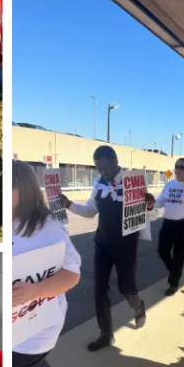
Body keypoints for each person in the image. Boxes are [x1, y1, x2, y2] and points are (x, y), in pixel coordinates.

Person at [13, 159, 82, 367]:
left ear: (24, 190)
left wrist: (35, 291)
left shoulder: (48, 230)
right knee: (32, 366)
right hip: (13, 323)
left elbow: (72, 274)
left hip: (35, 328)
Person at [59, 145, 147, 351]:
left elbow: (145, 213)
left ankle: (139, 307)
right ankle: (106, 334)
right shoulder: (99, 183)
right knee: (99, 291)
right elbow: (90, 211)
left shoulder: (133, 181)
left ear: (116, 162)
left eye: (106, 169)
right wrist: (69, 204)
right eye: (99, 169)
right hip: (103, 243)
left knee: (126, 288)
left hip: (126, 245)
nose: (103, 173)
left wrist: (149, 205)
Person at [149, 158, 184, 296]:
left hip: (183, 226)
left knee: (179, 257)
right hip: (167, 224)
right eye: (176, 167)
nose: (178, 170)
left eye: (182, 167)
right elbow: (160, 201)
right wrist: (152, 204)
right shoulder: (169, 185)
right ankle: (174, 270)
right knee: (162, 250)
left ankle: (173, 283)